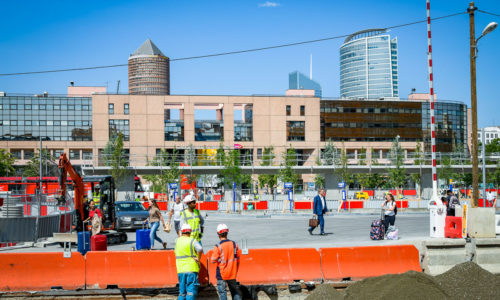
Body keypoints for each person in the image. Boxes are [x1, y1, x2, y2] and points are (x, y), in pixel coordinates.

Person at [210, 224, 242, 300]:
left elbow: (213, 260)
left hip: (222, 274)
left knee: (222, 293)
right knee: (234, 291)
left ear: (218, 234)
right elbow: (237, 258)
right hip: (232, 273)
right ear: (227, 232)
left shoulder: (218, 246)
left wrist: (219, 259)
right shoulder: (234, 244)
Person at [175, 223, 203, 300]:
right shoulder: (192, 240)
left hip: (180, 269)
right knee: (190, 293)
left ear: (182, 231)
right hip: (191, 269)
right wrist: (198, 258)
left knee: (182, 293)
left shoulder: (177, 240)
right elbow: (200, 249)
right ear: (190, 232)